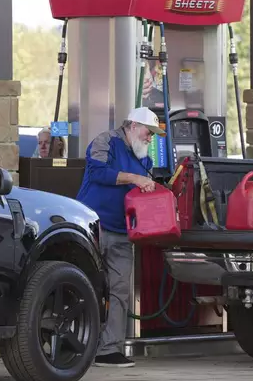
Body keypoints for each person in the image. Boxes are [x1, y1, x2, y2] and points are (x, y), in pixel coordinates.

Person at [76, 106, 165, 368]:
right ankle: (74, 343)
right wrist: (136, 178)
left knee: (119, 290)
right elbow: (97, 172)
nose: (151, 139)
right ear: (134, 126)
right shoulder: (105, 141)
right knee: (83, 284)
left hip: (122, 231)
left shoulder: (144, 160)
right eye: (149, 133)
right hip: (92, 226)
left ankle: (109, 349)